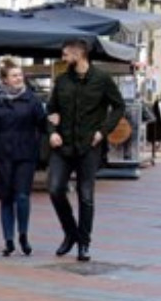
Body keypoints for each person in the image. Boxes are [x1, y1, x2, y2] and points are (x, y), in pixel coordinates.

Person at [46, 38, 125, 262]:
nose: (63, 58)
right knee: (55, 189)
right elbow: (51, 110)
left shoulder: (102, 79)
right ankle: (71, 232)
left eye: (66, 54)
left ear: (78, 54)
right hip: (63, 146)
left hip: (89, 146)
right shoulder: (62, 81)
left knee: (86, 195)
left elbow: (119, 106)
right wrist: (51, 132)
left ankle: (84, 243)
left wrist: (103, 131)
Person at [0, 59, 47, 257]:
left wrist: (53, 125)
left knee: (22, 196)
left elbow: (43, 125)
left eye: (20, 75)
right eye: (14, 76)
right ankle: (9, 240)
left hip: (25, 155)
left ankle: (23, 235)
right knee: (6, 198)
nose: (19, 78)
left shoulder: (32, 101)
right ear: (5, 80)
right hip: (1, 156)